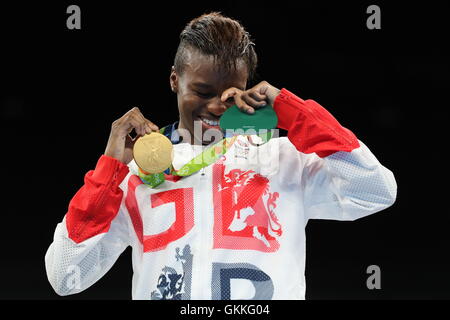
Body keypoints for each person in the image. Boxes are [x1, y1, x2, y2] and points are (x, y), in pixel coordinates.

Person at [45, 12, 397, 300]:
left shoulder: (283, 159)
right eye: (201, 91)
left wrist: (292, 112)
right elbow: (65, 276)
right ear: (174, 80)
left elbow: (376, 190)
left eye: (230, 93)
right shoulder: (135, 175)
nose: (215, 106)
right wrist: (110, 170)